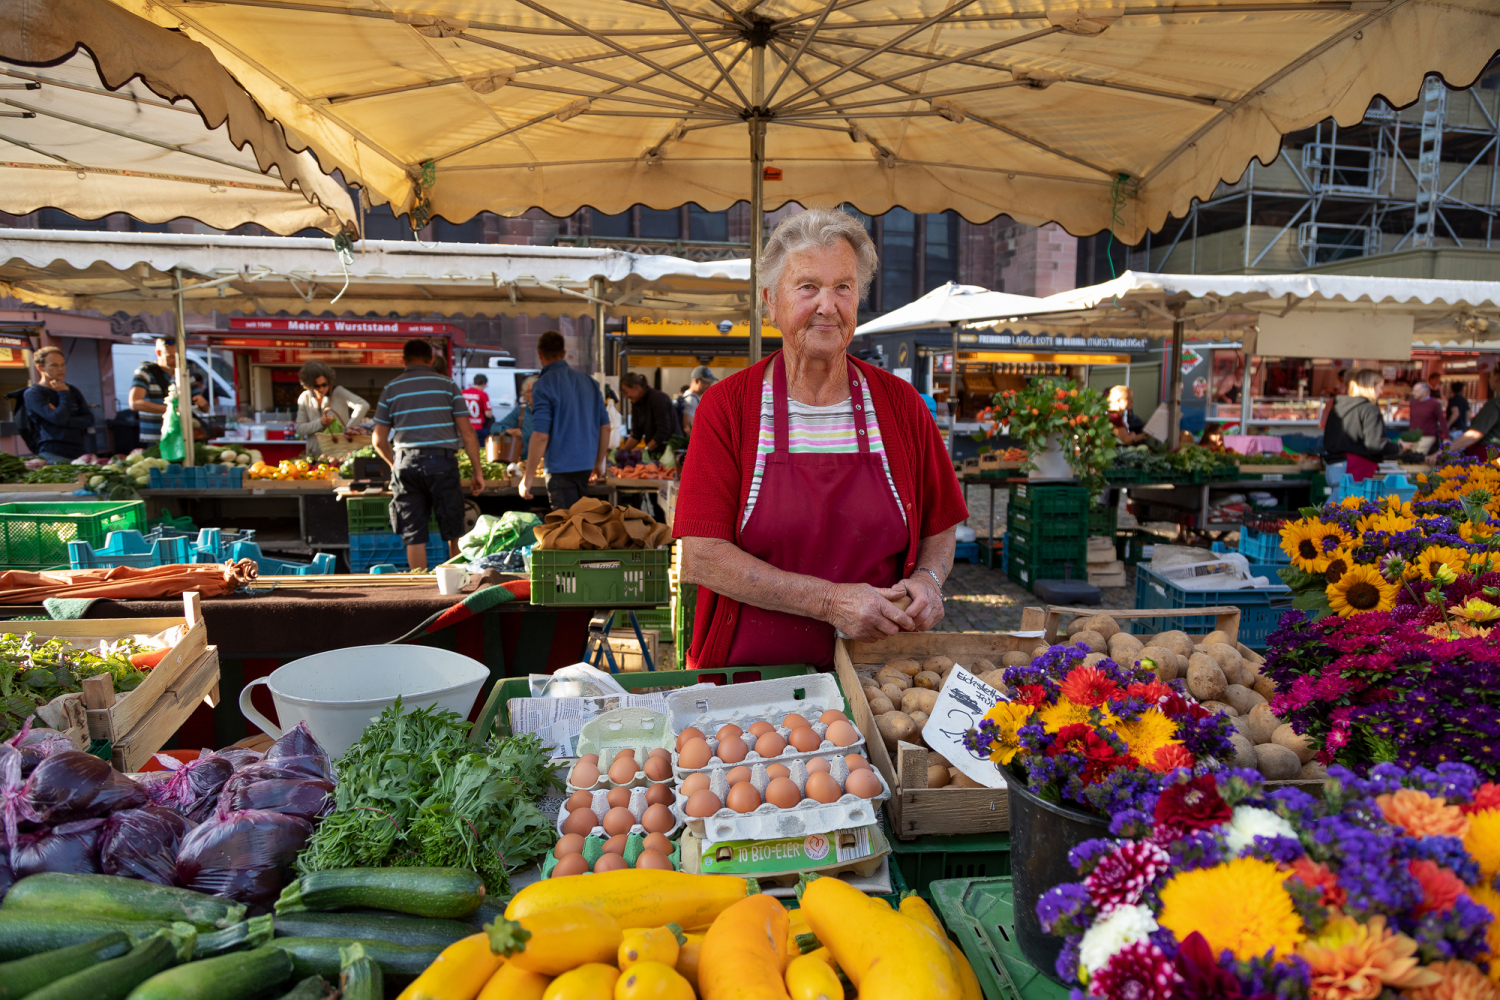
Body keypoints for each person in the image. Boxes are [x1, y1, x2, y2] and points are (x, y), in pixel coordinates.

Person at [673, 208, 967, 669]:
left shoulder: (900, 405)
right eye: (808, 286)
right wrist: (831, 602)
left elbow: (941, 520)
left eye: (843, 288)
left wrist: (929, 578)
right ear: (771, 300)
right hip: (749, 678)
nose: (827, 305)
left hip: (876, 673)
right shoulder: (728, 408)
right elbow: (702, 557)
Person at [371, 339, 485, 571]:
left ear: (403, 361)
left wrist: (395, 464)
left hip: (405, 461)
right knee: (454, 530)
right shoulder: (447, 385)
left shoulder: (391, 389)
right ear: (431, 360)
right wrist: (477, 472)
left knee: (413, 533)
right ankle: (455, 590)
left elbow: (378, 440)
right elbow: (468, 434)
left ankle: (420, 588)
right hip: (442, 462)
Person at [521, 330, 610, 510]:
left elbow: (540, 435)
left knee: (566, 529)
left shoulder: (543, 385)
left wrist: (527, 477)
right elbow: (606, 427)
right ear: (563, 353)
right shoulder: (590, 382)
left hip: (560, 470)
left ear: (540, 355)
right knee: (580, 525)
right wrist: (599, 462)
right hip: (585, 466)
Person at [1322, 369, 1399, 483]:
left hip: (1333, 465)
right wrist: (1399, 447)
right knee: (1345, 500)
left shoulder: (1338, 404)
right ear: (1371, 387)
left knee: (1339, 498)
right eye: (1380, 387)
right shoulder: (1369, 409)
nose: (1381, 392)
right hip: (1354, 468)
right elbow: (1375, 445)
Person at [129, 338, 206, 445]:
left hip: (183, 438)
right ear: (158, 353)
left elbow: (205, 409)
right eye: (170, 357)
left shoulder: (186, 374)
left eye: (179, 357)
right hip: (156, 437)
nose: (175, 361)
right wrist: (171, 411)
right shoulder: (144, 373)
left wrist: (202, 403)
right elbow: (135, 403)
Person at [24, 347, 94, 463]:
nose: (61, 369)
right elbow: (59, 418)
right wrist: (63, 393)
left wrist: (62, 420)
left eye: (63, 364)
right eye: (54, 365)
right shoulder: (34, 394)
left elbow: (89, 419)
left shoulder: (72, 390)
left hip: (79, 451)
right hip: (53, 452)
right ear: (40, 367)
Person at [294, 360, 371, 459]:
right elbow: (300, 429)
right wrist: (320, 422)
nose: (321, 389)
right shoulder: (304, 398)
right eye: (317, 386)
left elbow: (363, 405)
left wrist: (347, 429)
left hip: (339, 455)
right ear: (309, 385)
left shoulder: (338, 392)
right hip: (314, 456)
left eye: (325, 384)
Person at [619, 373, 679, 453]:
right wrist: (622, 452)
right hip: (654, 453)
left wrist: (646, 449)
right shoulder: (636, 403)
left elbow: (663, 431)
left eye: (626, 392)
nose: (626, 397)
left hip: (670, 451)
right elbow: (636, 434)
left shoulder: (659, 399)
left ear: (635, 387)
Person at [1450, 367, 1500, 457]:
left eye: (1490, 376)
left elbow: (1475, 434)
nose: (1489, 380)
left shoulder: (1494, 404)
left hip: (1487, 456)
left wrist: (1446, 449)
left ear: (1496, 377)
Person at [493, 375, 537, 461]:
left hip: (548, 465)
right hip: (524, 464)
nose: (536, 393)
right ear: (525, 395)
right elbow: (494, 428)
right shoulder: (520, 412)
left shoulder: (551, 412)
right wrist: (508, 431)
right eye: (531, 391)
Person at [1406, 381, 1447, 452]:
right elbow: (1412, 420)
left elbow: (1442, 420)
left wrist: (1446, 437)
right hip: (1414, 435)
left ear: (1425, 392)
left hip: (1427, 436)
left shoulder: (1434, 403)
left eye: (1416, 391)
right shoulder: (1413, 403)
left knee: (1419, 455)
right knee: (1411, 456)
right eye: (1414, 391)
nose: (1413, 393)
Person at [680, 366, 717, 436]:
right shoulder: (690, 400)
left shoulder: (695, 399)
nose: (709, 385)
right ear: (696, 381)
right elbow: (688, 429)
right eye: (706, 382)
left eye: (710, 382)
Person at [462, 374, 493, 438]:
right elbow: (488, 414)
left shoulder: (463, 393)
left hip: (465, 426)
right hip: (479, 428)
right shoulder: (483, 394)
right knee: (481, 447)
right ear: (484, 384)